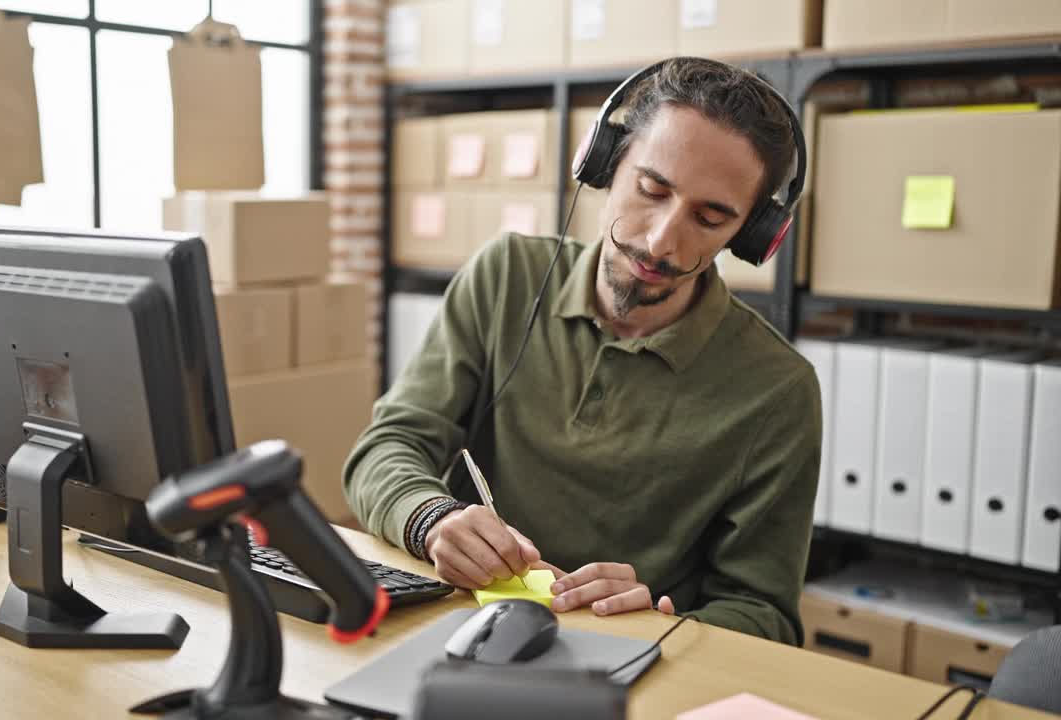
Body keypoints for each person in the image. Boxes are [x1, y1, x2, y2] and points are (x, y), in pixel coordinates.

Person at [344, 57, 821, 645]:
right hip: (457, 632)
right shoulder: (505, 277)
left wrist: (663, 624)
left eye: (711, 217)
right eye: (652, 189)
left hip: (632, 667)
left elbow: (764, 616)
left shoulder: (778, 389)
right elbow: (385, 448)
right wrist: (430, 519)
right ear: (603, 162)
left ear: (752, 235)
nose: (660, 240)